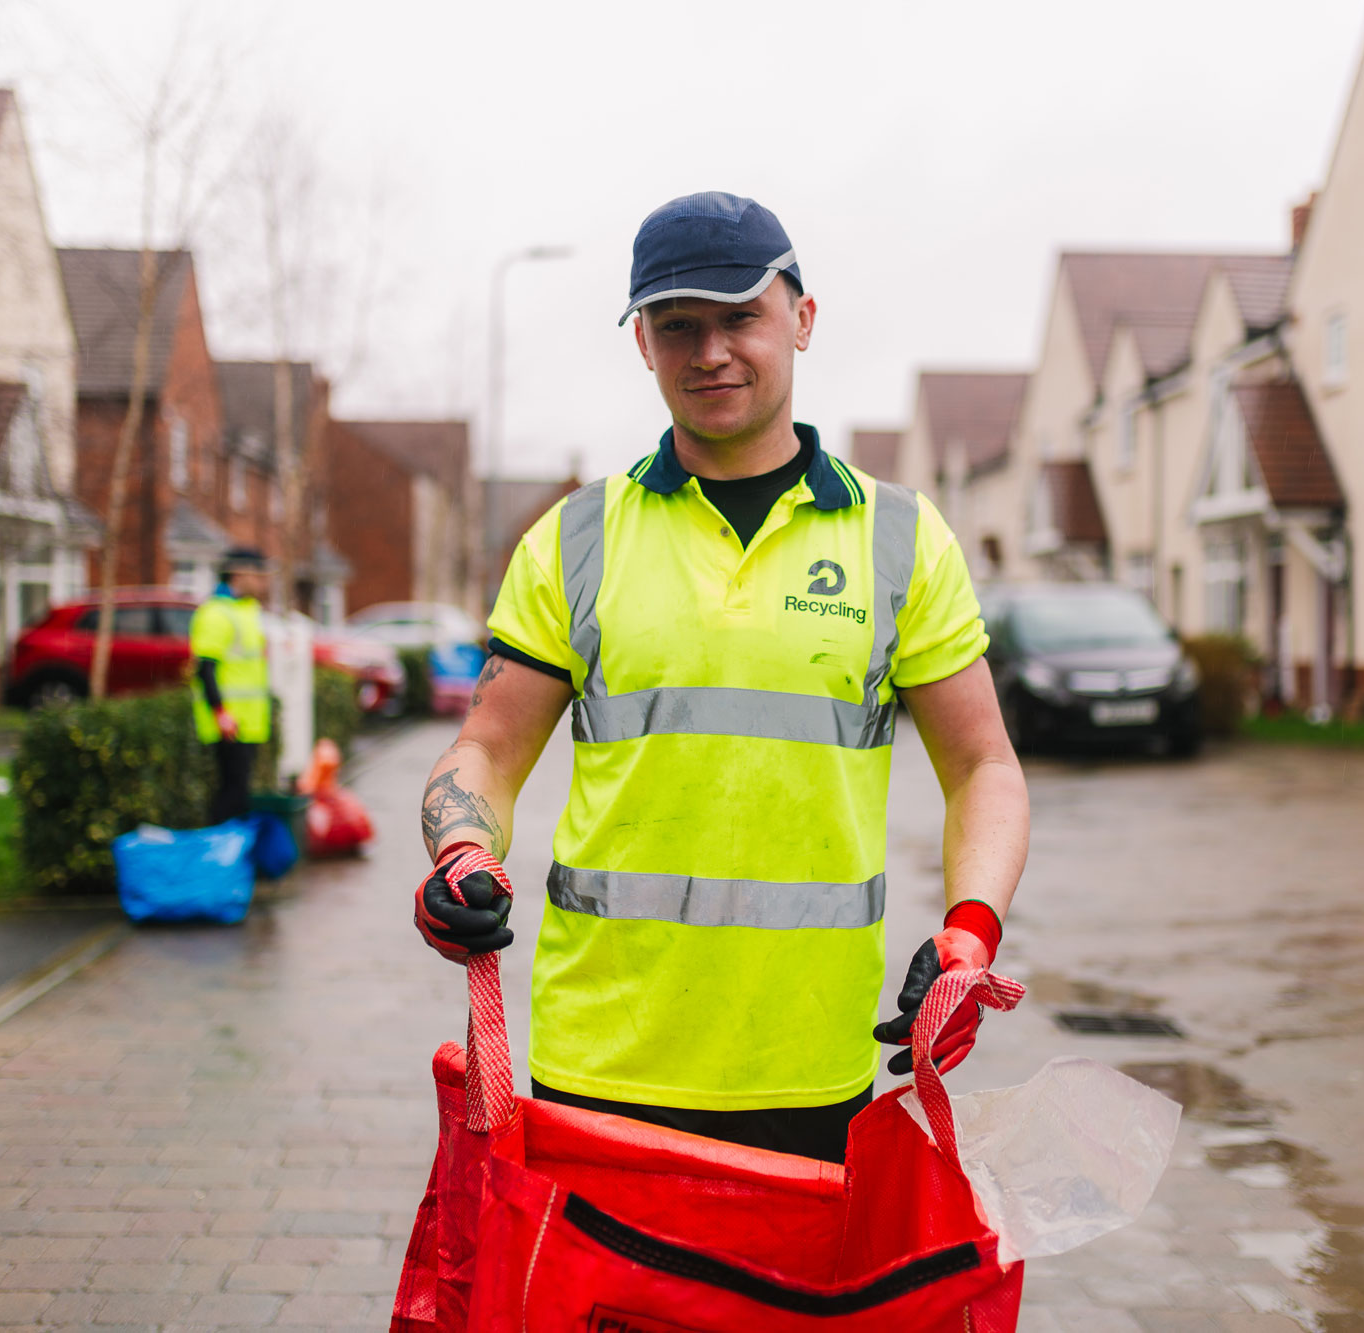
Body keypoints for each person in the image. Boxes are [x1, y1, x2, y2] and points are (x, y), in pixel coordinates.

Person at [415, 192, 1029, 1164]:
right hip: (598, 1062)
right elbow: (487, 750)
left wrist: (968, 934)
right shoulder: (575, 540)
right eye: (676, 326)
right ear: (643, 346)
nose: (709, 352)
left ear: (802, 318)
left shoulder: (900, 539)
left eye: (739, 315)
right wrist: (458, 851)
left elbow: (983, 766)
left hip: (811, 1066)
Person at [191, 548, 272, 825]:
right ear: (239, 574)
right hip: (229, 724)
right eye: (259, 575)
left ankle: (231, 856)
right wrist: (221, 713)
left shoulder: (247, 611)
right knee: (231, 794)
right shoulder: (216, 613)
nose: (265, 582)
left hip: (248, 723)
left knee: (239, 794)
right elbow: (205, 668)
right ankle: (220, 856)